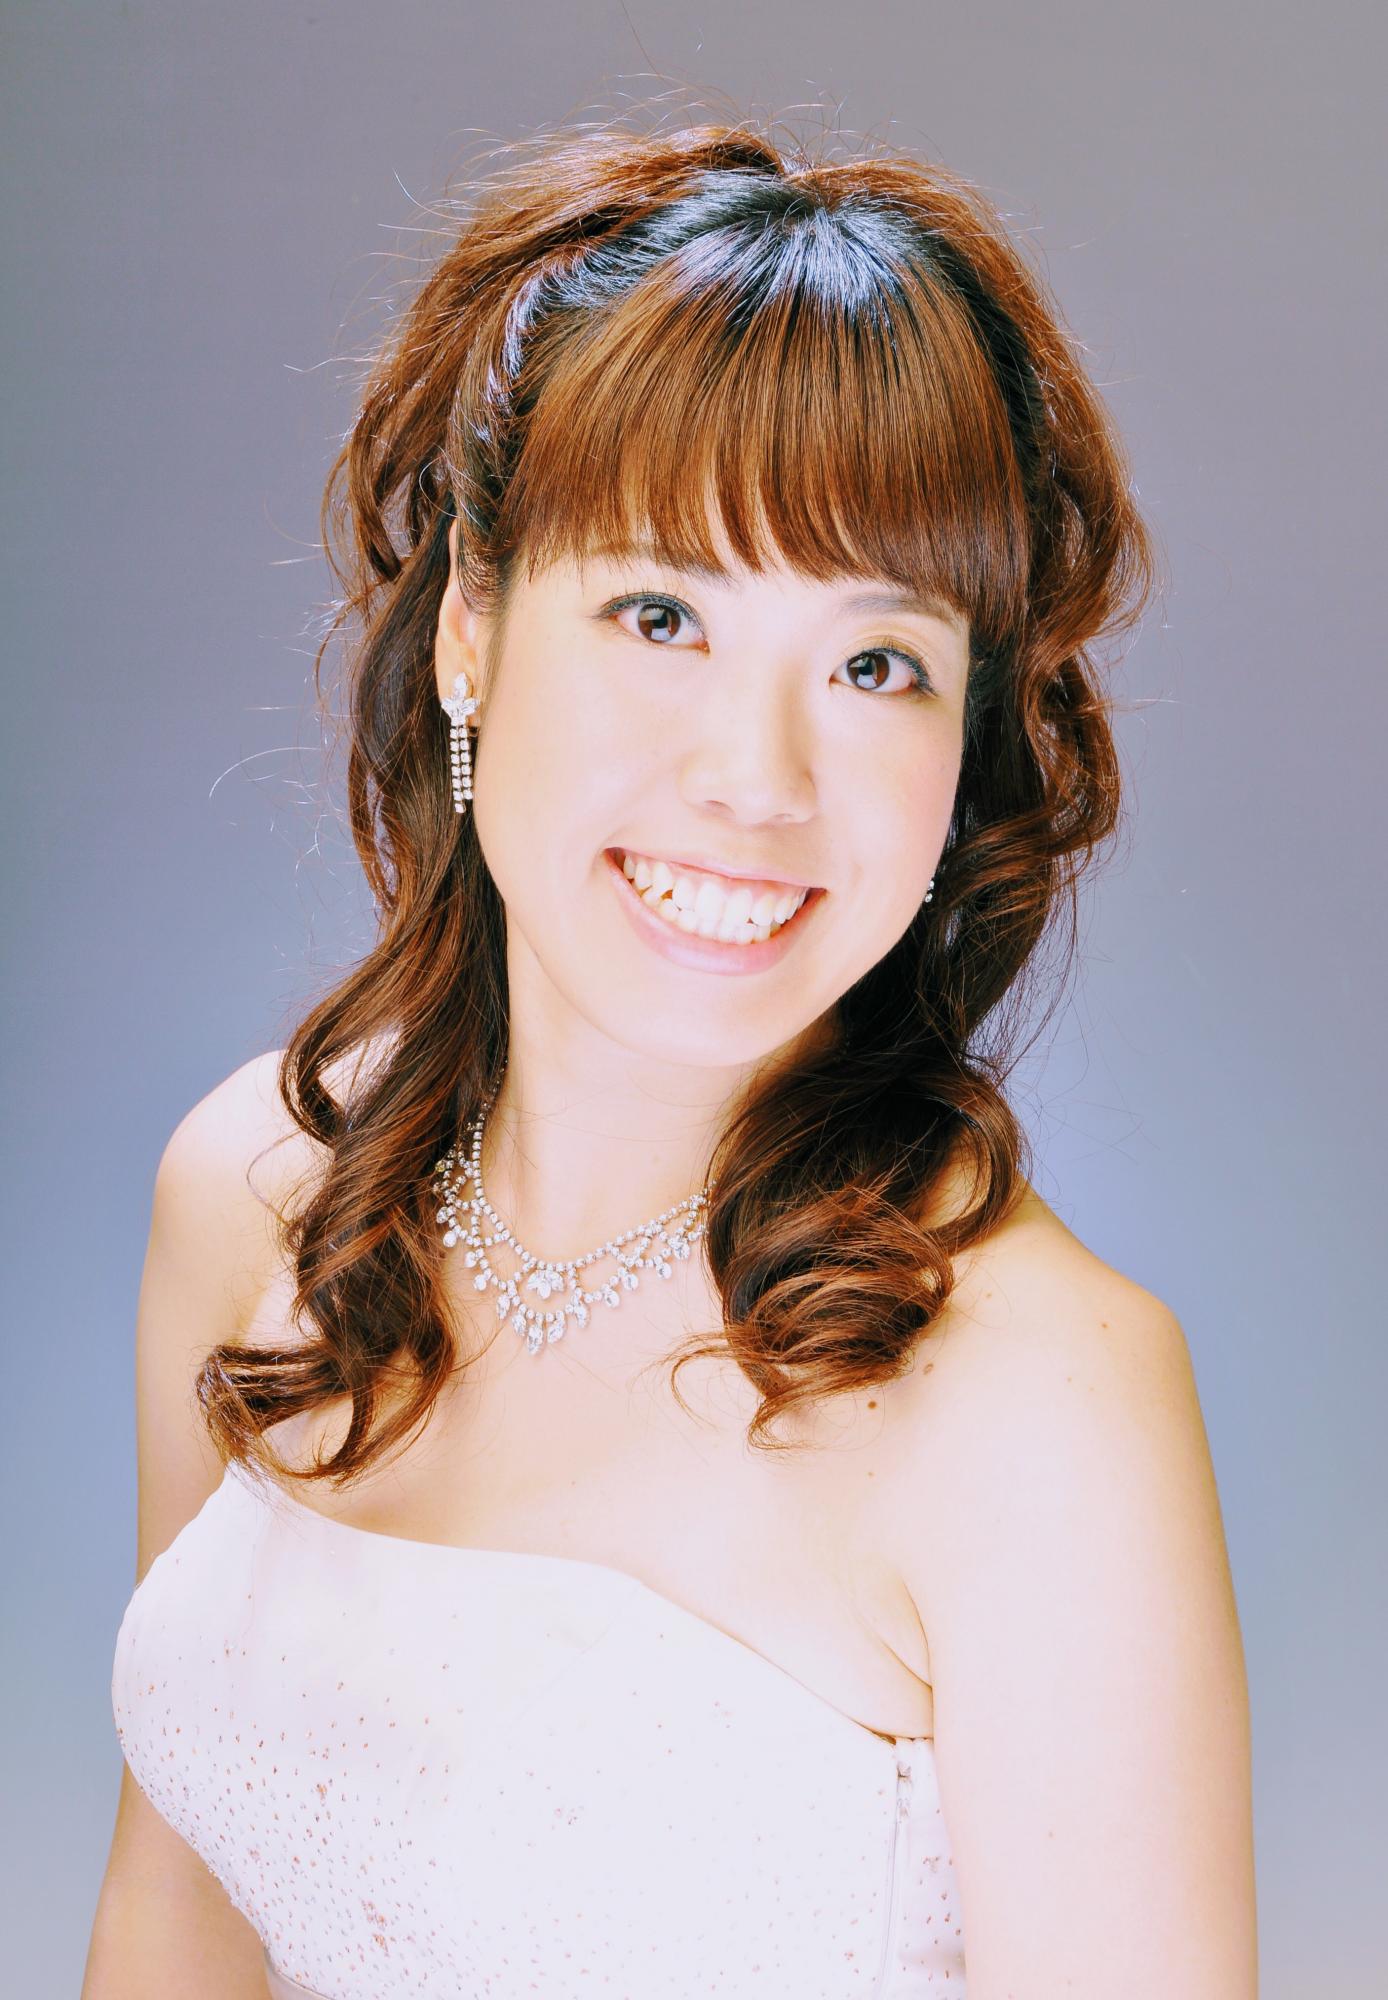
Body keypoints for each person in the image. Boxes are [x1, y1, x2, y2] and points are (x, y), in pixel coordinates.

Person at [84, 115, 1257, 1999]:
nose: (757, 779)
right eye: (661, 616)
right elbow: (174, 1911)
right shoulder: (255, 1193)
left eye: (875, 665)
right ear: (472, 633)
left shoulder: (1041, 1396)